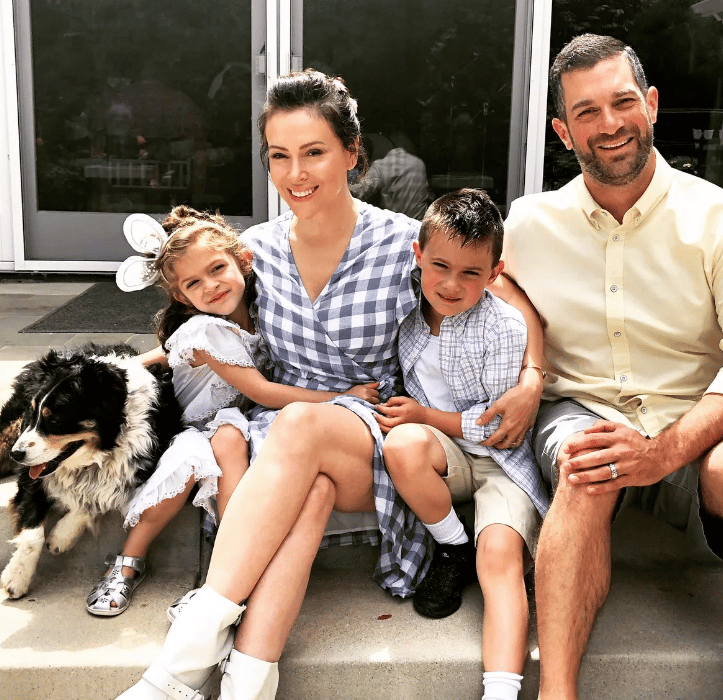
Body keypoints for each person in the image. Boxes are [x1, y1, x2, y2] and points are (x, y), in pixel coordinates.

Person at [114, 69, 544, 700]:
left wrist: (532, 376)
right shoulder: (256, 250)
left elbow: (506, 293)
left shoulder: (402, 243)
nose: (295, 174)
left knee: (300, 429)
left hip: (375, 434)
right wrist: (127, 367)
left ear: (351, 152)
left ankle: (177, 663)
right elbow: (202, 326)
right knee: (307, 481)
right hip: (290, 438)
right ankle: (242, 681)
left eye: (313, 152)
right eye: (279, 156)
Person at [501, 33, 723, 700]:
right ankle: (556, 693)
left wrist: (667, 451)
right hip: (583, 409)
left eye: (622, 102)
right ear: (562, 132)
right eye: (586, 112)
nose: (609, 124)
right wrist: (530, 366)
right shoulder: (528, 223)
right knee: (585, 463)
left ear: (650, 104)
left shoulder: (714, 217)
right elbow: (481, 285)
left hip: (694, 415)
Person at [88, 205, 377, 617]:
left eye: (217, 268)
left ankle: (226, 575)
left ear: (243, 260)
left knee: (232, 438)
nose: (211, 286)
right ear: (181, 297)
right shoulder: (205, 329)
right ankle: (128, 562)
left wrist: (134, 362)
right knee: (194, 460)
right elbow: (261, 389)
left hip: (237, 422)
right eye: (193, 283)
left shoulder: (262, 315)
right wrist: (341, 395)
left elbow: (168, 352)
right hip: (192, 426)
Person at [376, 188, 548, 700]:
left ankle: (501, 690)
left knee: (498, 559)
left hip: (500, 461)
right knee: (403, 444)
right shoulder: (407, 317)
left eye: (471, 272)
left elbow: (500, 427)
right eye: (440, 266)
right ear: (418, 257)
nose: (451, 284)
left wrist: (424, 414)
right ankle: (452, 545)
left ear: (494, 274)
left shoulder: (503, 326)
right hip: (443, 454)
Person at [350, 130, 431, 220]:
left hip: (398, 224)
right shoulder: (419, 163)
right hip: (419, 224)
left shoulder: (382, 165)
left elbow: (357, 191)